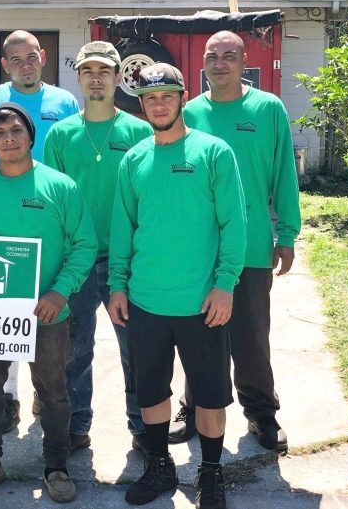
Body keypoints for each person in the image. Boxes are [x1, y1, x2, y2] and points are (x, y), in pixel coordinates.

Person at [107, 63, 246, 508]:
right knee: (150, 391)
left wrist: (225, 284)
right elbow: (122, 229)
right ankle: (160, 465)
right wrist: (117, 285)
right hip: (146, 301)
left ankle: (210, 471)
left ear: (183, 97)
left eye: (167, 95)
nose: (159, 104)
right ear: (142, 104)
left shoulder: (214, 153)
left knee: (209, 394)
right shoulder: (134, 159)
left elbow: (234, 224)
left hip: (202, 303)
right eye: (150, 98)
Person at [0, 103, 97, 503]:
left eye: (16, 130)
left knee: (53, 391)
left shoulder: (59, 186)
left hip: (48, 312)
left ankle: (55, 465)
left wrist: (60, 291)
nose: (8, 138)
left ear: (31, 137)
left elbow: (85, 244)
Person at [170, 31, 301, 453]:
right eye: (213, 56)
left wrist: (287, 234)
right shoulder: (188, 112)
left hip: (251, 246)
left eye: (229, 55)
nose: (220, 62)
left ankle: (261, 411)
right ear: (203, 63)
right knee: (197, 334)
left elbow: (284, 175)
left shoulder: (267, 109)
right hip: (197, 249)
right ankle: (193, 406)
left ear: (244, 61)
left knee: (249, 336)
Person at [0, 30, 80, 431]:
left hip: (49, 227)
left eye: (31, 56)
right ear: (4, 65)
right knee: (1, 326)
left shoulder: (64, 102)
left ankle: (49, 404)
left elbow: (72, 164)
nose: (25, 64)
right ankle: (6, 400)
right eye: (16, 59)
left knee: (52, 335)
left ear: (43, 56)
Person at [43, 41, 152, 453]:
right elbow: (51, 201)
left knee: (135, 349)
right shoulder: (61, 134)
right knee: (75, 349)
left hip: (124, 260)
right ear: (79, 77)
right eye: (88, 71)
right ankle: (75, 425)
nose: (95, 78)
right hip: (75, 260)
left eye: (104, 71)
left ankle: (142, 423)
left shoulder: (139, 131)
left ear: (117, 77)